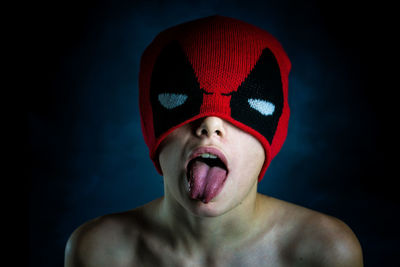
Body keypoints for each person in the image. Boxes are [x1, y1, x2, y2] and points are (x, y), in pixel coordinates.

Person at [65, 15, 363, 266]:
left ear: (273, 137)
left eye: (253, 103)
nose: (210, 125)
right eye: (177, 97)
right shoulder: (98, 252)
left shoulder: (325, 253)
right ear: (152, 126)